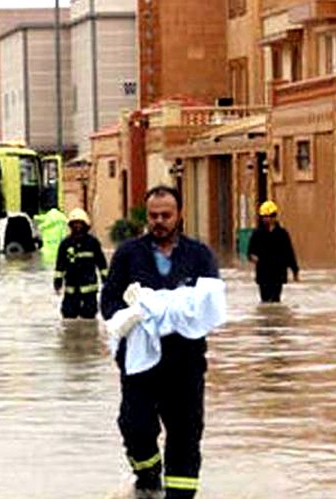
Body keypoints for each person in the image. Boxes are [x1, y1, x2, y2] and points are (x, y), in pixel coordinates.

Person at [100, 186, 220, 499]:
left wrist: (177, 308)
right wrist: (128, 316)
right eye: (153, 216)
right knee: (135, 425)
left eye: (166, 215)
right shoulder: (128, 254)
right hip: (139, 363)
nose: (159, 221)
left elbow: (212, 303)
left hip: (185, 364)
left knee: (185, 435)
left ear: (179, 215)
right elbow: (109, 300)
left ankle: (179, 495)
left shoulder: (199, 256)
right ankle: (148, 476)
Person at [54, 208, 108, 319]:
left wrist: (106, 280)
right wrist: (57, 282)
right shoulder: (65, 244)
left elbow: (101, 263)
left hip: (89, 289)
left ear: (85, 224)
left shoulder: (92, 243)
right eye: (74, 223)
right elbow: (60, 265)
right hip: (71, 289)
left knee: (89, 316)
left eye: (79, 223)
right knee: (68, 316)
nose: (77, 226)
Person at [247, 200, 299, 303]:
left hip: (278, 273)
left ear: (275, 217)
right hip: (263, 272)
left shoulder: (282, 233)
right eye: (265, 216)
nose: (268, 219)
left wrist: (295, 270)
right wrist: (252, 257)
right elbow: (250, 251)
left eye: (270, 216)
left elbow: (289, 252)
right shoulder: (257, 234)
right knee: (265, 300)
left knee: (276, 300)